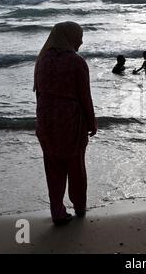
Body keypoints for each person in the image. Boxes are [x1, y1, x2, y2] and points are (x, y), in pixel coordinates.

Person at [33, 21, 97, 226]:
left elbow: (39, 95)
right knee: (76, 167)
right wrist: (91, 122)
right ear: (69, 37)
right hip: (70, 121)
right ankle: (79, 207)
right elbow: (84, 96)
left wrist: (42, 120)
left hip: (45, 122)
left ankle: (57, 212)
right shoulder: (76, 62)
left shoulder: (42, 60)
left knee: (53, 168)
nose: (81, 40)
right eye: (79, 36)